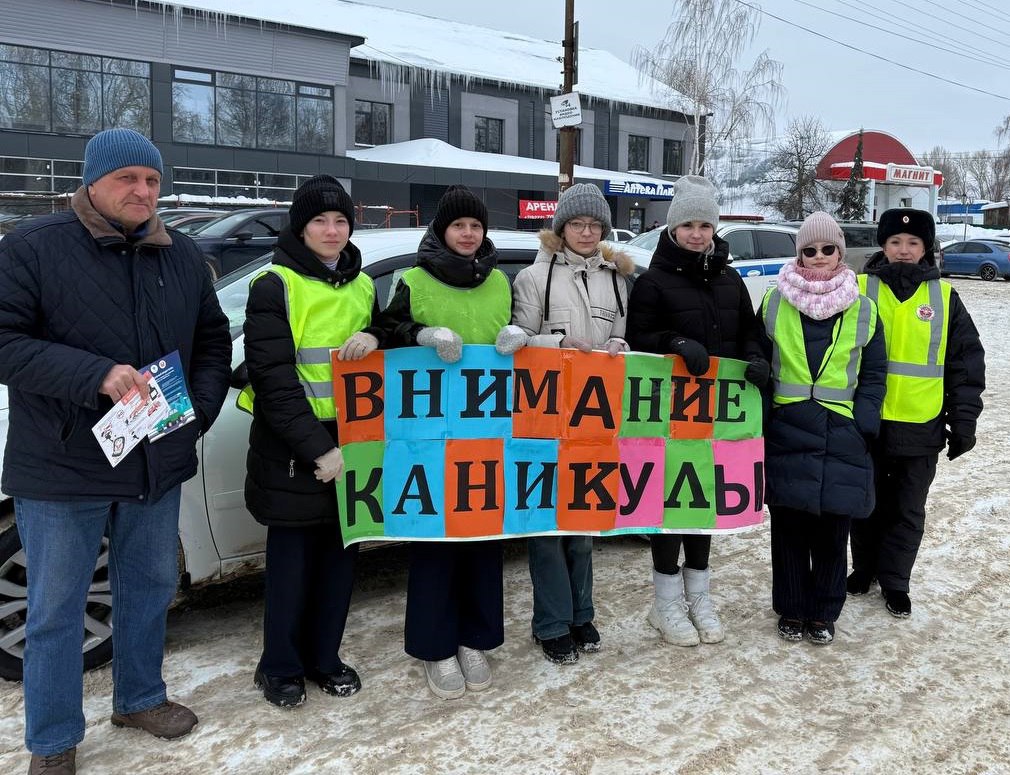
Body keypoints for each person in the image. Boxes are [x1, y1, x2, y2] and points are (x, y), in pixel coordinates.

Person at [0, 128, 232, 775]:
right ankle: (53, 741)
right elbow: (4, 342)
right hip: (62, 464)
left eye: (153, 180)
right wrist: (94, 373)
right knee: (55, 609)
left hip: (154, 459)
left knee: (150, 587)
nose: (143, 191)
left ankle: (139, 699)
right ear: (92, 182)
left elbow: (213, 342)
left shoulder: (181, 254)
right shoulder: (32, 247)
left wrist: (196, 414)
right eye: (128, 178)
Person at [239, 175, 385, 708]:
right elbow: (274, 381)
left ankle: (325, 657)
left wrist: (377, 334)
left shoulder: (362, 284)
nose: (331, 230)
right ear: (300, 228)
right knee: (291, 569)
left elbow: (385, 347)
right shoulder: (274, 284)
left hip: (354, 441)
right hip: (294, 449)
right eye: (320, 220)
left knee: (341, 561)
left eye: (341, 220)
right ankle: (279, 667)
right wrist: (318, 449)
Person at [379, 185, 511, 700]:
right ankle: (435, 648)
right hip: (429, 436)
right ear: (441, 229)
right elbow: (386, 329)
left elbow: (515, 332)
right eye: (459, 225)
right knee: (435, 540)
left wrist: (520, 336)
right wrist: (422, 335)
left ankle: (474, 639)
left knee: (482, 538)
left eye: (476, 226)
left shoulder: (500, 281)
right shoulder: (414, 279)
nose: (468, 234)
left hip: (488, 433)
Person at [625, 175, 769, 647]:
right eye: (687, 224)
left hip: (718, 417)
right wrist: (675, 343)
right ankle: (664, 602)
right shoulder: (652, 281)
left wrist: (757, 359)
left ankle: (699, 597)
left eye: (705, 225)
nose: (696, 234)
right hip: (667, 416)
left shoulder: (730, 279)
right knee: (670, 506)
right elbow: (639, 340)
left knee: (704, 503)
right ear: (672, 228)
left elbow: (749, 331)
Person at [495, 183, 633, 664]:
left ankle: (581, 615)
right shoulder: (534, 278)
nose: (586, 232)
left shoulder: (617, 279)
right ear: (562, 227)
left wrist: (618, 348)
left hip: (593, 417)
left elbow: (623, 339)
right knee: (547, 528)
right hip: (543, 415)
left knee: (583, 522)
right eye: (577, 224)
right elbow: (520, 341)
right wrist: (561, 345)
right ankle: (551, 623)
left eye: (595, 225)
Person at [848, 209, 985, 618]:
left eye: (913, 243)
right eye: (895, 242)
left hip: (921, 425)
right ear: (883, 245)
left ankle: (895, 582)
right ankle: (864, 569)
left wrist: (964, 421)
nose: (904, 250)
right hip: (866, 422)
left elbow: (966, 364)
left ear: (926, 248)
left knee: (906, 510)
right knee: (864, 504)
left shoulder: (945, 298)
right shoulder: (858, 289)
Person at [758, 212, 887, 645]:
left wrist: (865, 420)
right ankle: (792, 608)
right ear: (799, 254)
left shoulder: (864, 308)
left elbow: (875, 373)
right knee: (789, 528)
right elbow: (758, 361)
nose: (818, 256)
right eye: (809, 250)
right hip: (788, 428)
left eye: (827, 249)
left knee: (833, 530)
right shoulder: (773, 301)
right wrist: (766, 415)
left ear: (839, 253)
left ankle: (824, 612)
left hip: (842, 432)